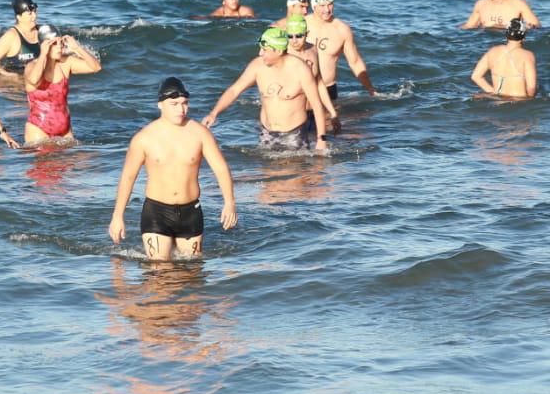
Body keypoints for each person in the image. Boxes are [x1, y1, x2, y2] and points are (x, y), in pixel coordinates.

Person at [108, 77, 238, 260]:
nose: (181, 109)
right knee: (160, 272)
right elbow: (128, 177)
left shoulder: (200, 133)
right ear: (160, 105)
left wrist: (229, 204)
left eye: (184, 103)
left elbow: (221, 169)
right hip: (156, 212)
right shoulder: (144, 138)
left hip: (191, 212)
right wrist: (117, 216)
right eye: (174, 104)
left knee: (192, 274)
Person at [202, 28, 331, 153]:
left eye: (264, 50)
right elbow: (234, 90)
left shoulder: (300, 70)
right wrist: (214, 113)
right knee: (268, 173)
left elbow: (316, 105)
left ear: (279, 51)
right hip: (267, 133)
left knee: (296, 173)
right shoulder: (257, 66)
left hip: (294, 134)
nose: (260, 53)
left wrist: (321, 139)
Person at [21, 31, 102, 145]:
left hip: (65, 131)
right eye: (54, 43)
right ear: (44, 45)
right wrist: (43, 54)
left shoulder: (66, 63)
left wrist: (77, 48)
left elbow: (95, 67)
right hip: (39, 129)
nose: (59, 47)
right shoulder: (32, 66)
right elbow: (34, 80)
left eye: (61, 43)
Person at [307, 0, 380, 102]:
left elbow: (355, 62)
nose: (327, 9)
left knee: (331, 120)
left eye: (330, 4)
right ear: (313, 6)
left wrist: (371, 89)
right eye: (322, 5)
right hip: (303, 88)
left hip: (328, 88)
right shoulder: (301, 25)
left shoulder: (342, 29)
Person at [470, 17, 537, 98]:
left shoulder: (492, 51)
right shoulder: (527, 55)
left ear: (506, 35)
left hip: (497, 101)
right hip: (518, 102)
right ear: (524, 38)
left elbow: (475, 76)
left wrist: (492, 92)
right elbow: (531, 87)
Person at [0, 0, 43, 80]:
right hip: (17, 81)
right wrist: (6, 74)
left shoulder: (43, 31)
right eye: (30, 14)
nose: (34, 16)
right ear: (19, 17)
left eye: (35, 12)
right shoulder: (11, 36)